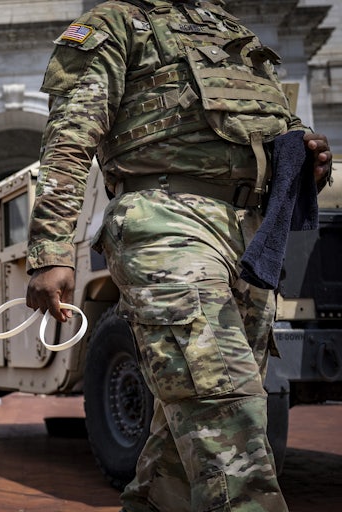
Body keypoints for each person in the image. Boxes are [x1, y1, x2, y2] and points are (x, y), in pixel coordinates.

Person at [25, 2, 333, 511]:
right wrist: (51, 248)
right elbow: (70, 138)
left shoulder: (227, 26)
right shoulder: (115, 23)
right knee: (226, 408)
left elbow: (271, 117)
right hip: (166, 220)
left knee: (190, 421)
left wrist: (304, 148)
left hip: (249, 232)